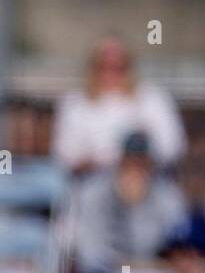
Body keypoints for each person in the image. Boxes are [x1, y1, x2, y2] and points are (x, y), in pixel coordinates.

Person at [52, 37, 185, 177]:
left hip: (148, 178)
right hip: (92, 180)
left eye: (119, 67)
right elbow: (65, 155)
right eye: (103, 66)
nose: (110, 73)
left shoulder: (153, 98)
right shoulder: (75, 103)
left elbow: (172, 147)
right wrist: (110, 160)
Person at [69, 132, 188, 273]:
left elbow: (178, 243)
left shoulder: (167, 195)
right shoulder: (93, 192)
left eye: (141, 163)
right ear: (120, 161)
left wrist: (137, 207)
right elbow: (90, 254)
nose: (135, 169)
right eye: (129, 162)